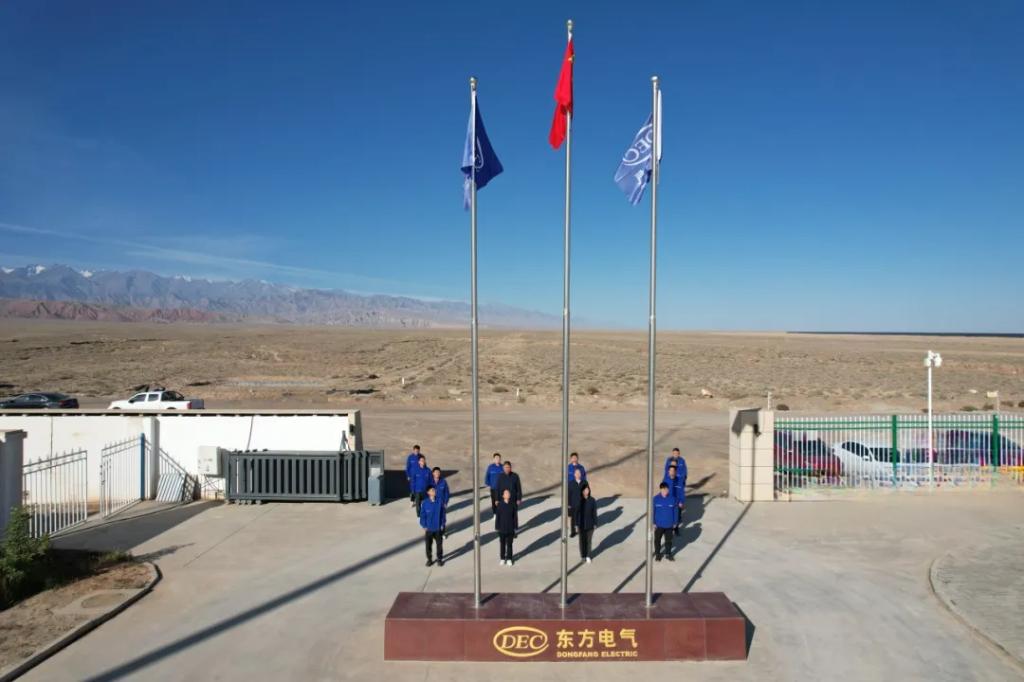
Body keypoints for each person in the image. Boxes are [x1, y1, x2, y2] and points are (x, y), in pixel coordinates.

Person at [419, 485, 445, 567]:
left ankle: (439, 559)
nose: (434, 491)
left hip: (438, 528)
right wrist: (424, 525)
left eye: (434, 490)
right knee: (428, 546)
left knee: (439, 545)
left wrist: (442, 524)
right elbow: (422, 515)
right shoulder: (425, 503)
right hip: (429, 529)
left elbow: (443, 514)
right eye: (432, 490)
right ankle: (429, 559)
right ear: (428, 492)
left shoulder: (439, 501)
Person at [495, 460, 523, 534]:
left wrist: (519, 498)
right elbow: (497, 489)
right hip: (502, 499)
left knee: (513, 515)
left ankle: (514, 529)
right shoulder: (500, 476)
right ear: (503, 468)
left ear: (510, 468)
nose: (507, 469)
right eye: (505, 467)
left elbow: (519, 488)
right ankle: (500, 529)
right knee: (502, 515)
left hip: (513, 499)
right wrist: (497, 499)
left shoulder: (515, 476)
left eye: (508, 467)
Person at [652, 482, 677, 561]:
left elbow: (675, 511)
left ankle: (668, 554)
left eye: (667, 489)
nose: (665, 491)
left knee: (668, 541)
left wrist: (675, 522)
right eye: (664, 489)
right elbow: (653, 511)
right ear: (661, 489)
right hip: (659, 525)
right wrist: (653, 522)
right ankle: (658, 554)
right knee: (657, 540)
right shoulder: (656, 499)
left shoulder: (672, 499)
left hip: (669, 525)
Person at [494, 488, 517, 566]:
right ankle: (502, 558)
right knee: (502, 544)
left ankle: (509, 558)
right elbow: (498, 517)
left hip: (510, 528)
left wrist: (515, 527)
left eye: (508, 493)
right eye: (506, 493)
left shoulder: (513, 504)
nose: (507, 494)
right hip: (502, 528)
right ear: (503, 496)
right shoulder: (500, 505)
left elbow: (515, 517)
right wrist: (497, 527)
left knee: (509, 544)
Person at [575, 483, 597, 564]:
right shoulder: (579, 501)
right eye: (584, 490)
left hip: (590, 525)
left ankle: (588, 556)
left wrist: (595, 523)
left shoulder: (592, 500)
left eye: (587, 489)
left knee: (589, 541)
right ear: (582, 491)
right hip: (581, 525)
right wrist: (576, 524)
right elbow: (576, 513)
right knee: (582, 541)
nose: (586, 491)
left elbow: (594, 512)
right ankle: (583, 556)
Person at [663, 464, 686, 536]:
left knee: (677, 517)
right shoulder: (665, 481)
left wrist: (681, 502)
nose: (672, 472)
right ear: (668, 472)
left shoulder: (679, 481)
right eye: (670, 471)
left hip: (677, 502)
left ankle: (676, 529)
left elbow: (682, 492)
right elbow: (663, 491)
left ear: (676, 472)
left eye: (673, 471)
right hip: (668, 502)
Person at [430, 467, 450, 539]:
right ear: (433, 473)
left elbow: (447, 493)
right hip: (432, 504)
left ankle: (443, 533)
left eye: (438, 472)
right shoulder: (430, 482)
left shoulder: (443, 482)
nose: (437, 474)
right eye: (435, 472)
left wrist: (445, 502)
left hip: (441, 504)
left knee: (442, 519)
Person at [567, 467, 586, 538]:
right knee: (573, 519)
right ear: (574, 474)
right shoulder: (571, 483)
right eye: (576, 473)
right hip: (573, 504)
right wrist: (569, 504)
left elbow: (587, 493)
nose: (578, 474)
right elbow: (569, 494)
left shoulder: (584, 482)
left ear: (581, 474)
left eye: (579, 473)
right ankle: (573, 532)